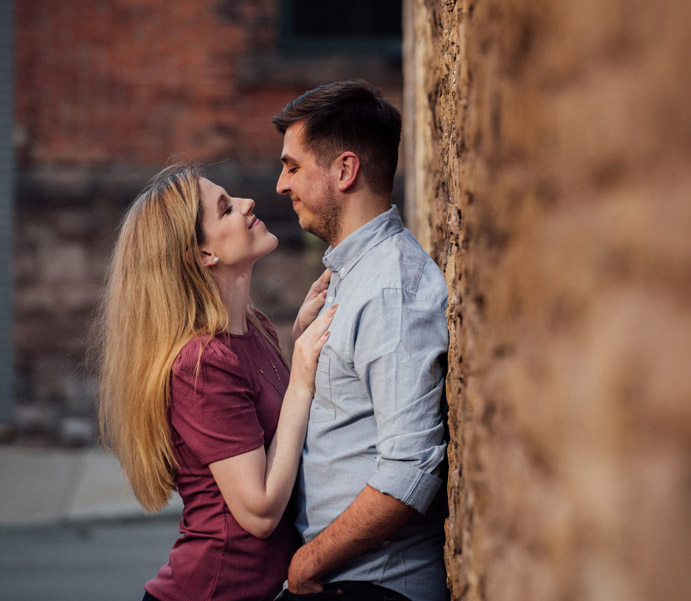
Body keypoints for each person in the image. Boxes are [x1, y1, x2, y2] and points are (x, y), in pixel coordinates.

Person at [93, 164, 336, 601]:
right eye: (226, 209)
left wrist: (299, 341)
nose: (248, 204)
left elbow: (273, 430)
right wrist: (300, 377)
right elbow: (259, 512)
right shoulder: (201, 363)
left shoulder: (255, 327)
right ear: (203, 255)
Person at [271, 80, 450, 601]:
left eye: (292, 166)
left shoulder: (388, 289)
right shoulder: (352, 276)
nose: (281, 184)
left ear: (345, 171)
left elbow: (410, 465)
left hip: (372, 585)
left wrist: (306, 564)